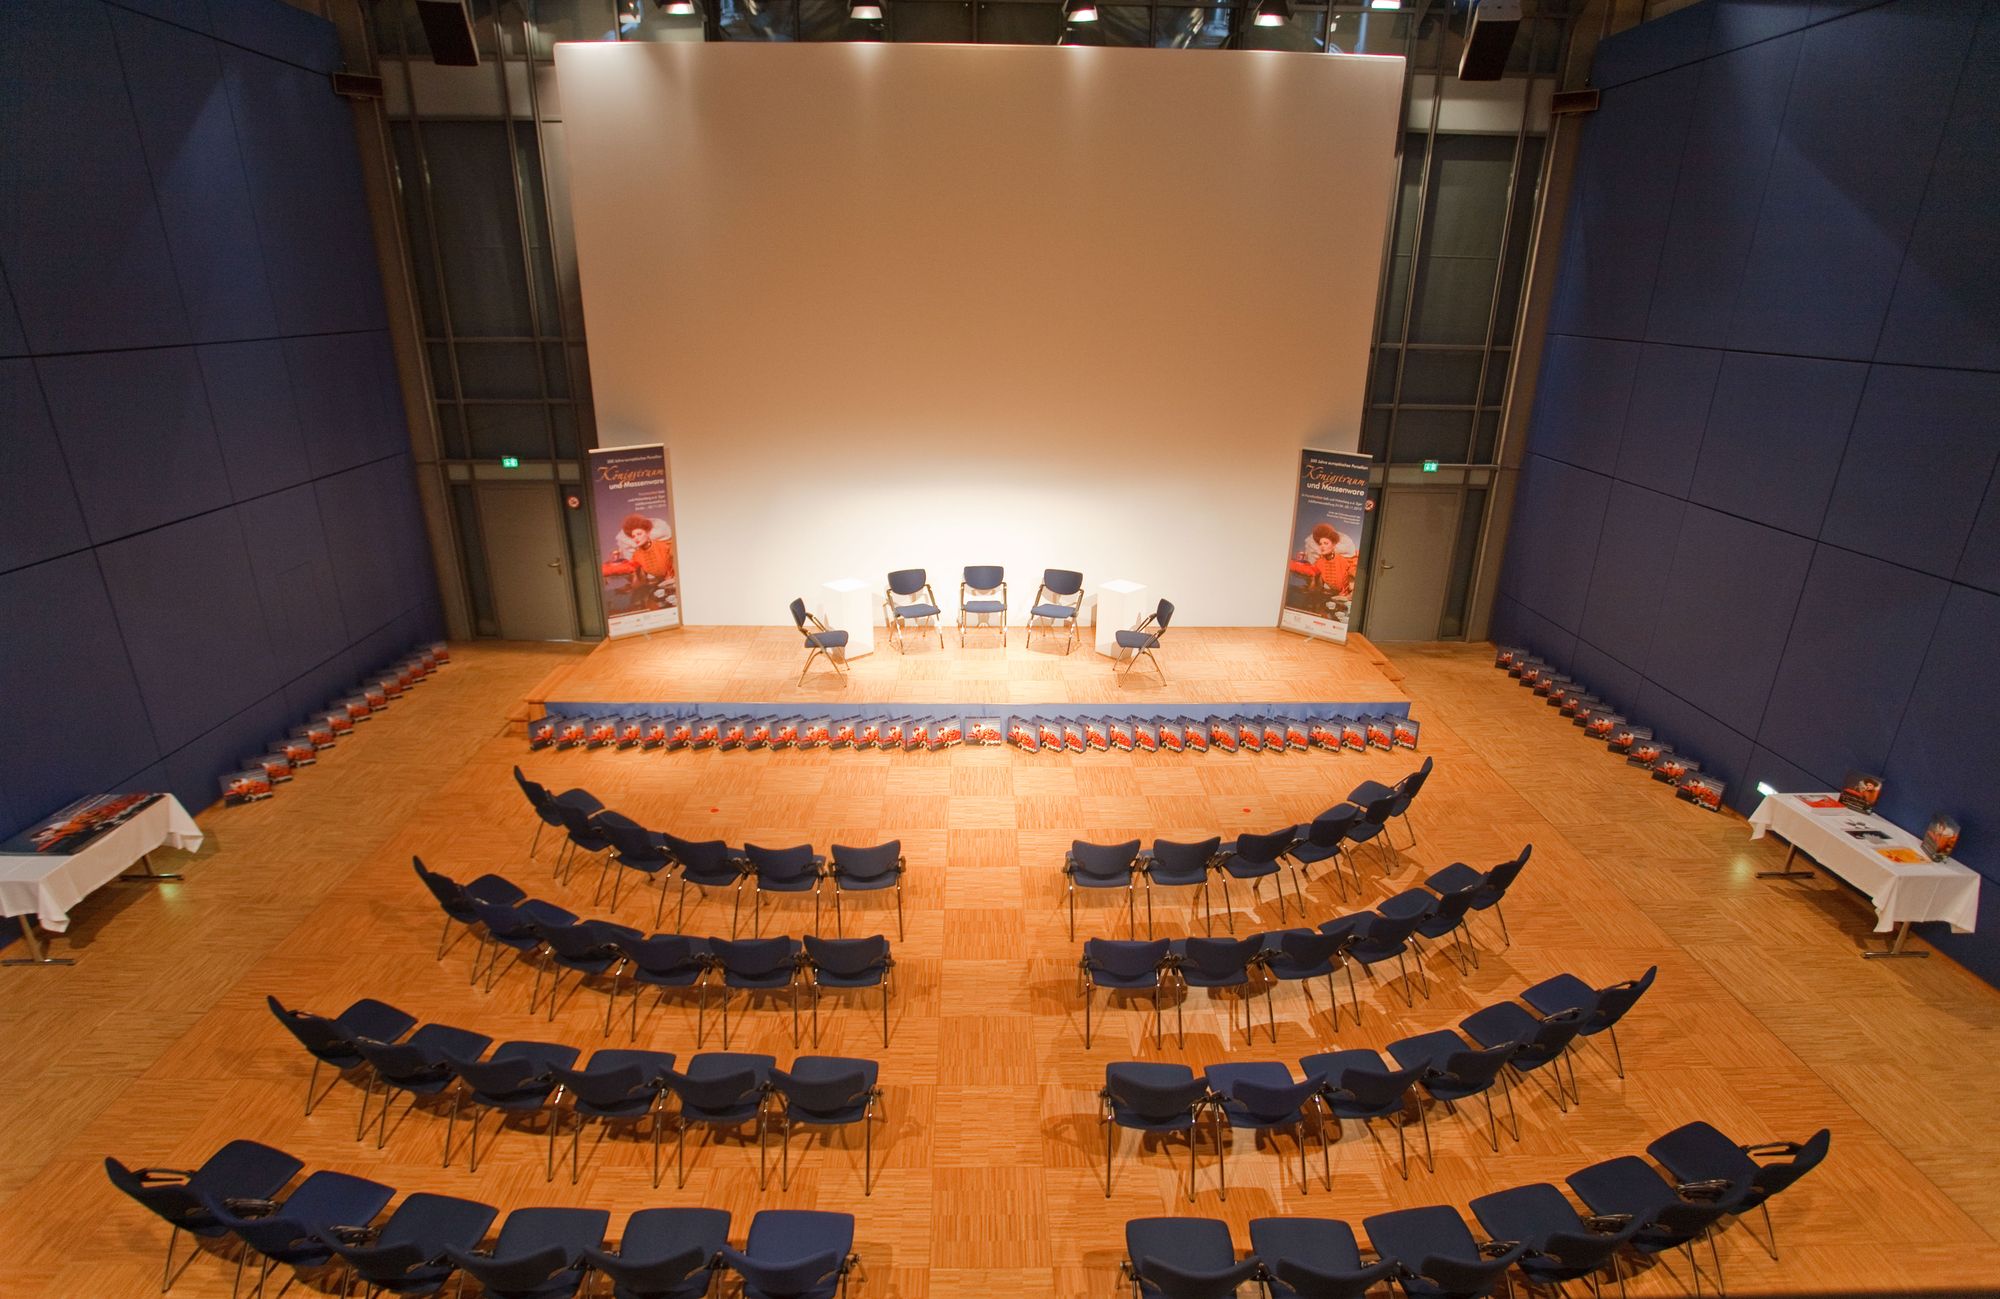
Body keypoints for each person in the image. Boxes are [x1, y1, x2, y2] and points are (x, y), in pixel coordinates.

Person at [610, 514, 675, 610]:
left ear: (648, 533)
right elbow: (639, 580)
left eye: (639, 534)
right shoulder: (636, 556)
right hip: (657, 590)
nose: (636, 538)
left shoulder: (664, 546)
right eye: (633, 536)